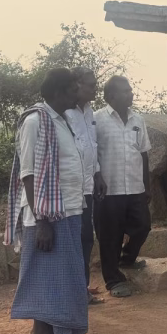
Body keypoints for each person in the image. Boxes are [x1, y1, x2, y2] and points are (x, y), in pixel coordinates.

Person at [4, 68, 88, 334]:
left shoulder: (63, 120)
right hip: (47, 214)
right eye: (74, 88)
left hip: (69, 209)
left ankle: (59, 329)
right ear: (58, 92)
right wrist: (42, 220)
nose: (79, 93)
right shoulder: (34, 121)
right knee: (46, 273)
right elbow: (28, 173)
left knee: (63, 273)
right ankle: (42, 333)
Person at [94, 76, 152, 298]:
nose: (131, 94)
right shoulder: (97, 119)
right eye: (125, 91)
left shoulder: (138, 119)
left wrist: (147, 185)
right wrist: (96, 176)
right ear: (110, 97)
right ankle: (113, 280)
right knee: (110, 236)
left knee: (143, 226)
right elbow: (90, 153)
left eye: (130, 90)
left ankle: (127, 259)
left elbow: (144, 153)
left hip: (135, 186)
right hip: (109, 189)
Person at [65, 67, 107, 303]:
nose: (95, 88)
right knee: (76, 238)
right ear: (76, 85)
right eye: (90, 85)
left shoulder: (89, 112)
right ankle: (75, 291)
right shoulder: (64, 113)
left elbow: (92, 146)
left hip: (88, 186)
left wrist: (98, 174)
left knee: (86, 238)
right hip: (71, 189)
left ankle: (82, 288)